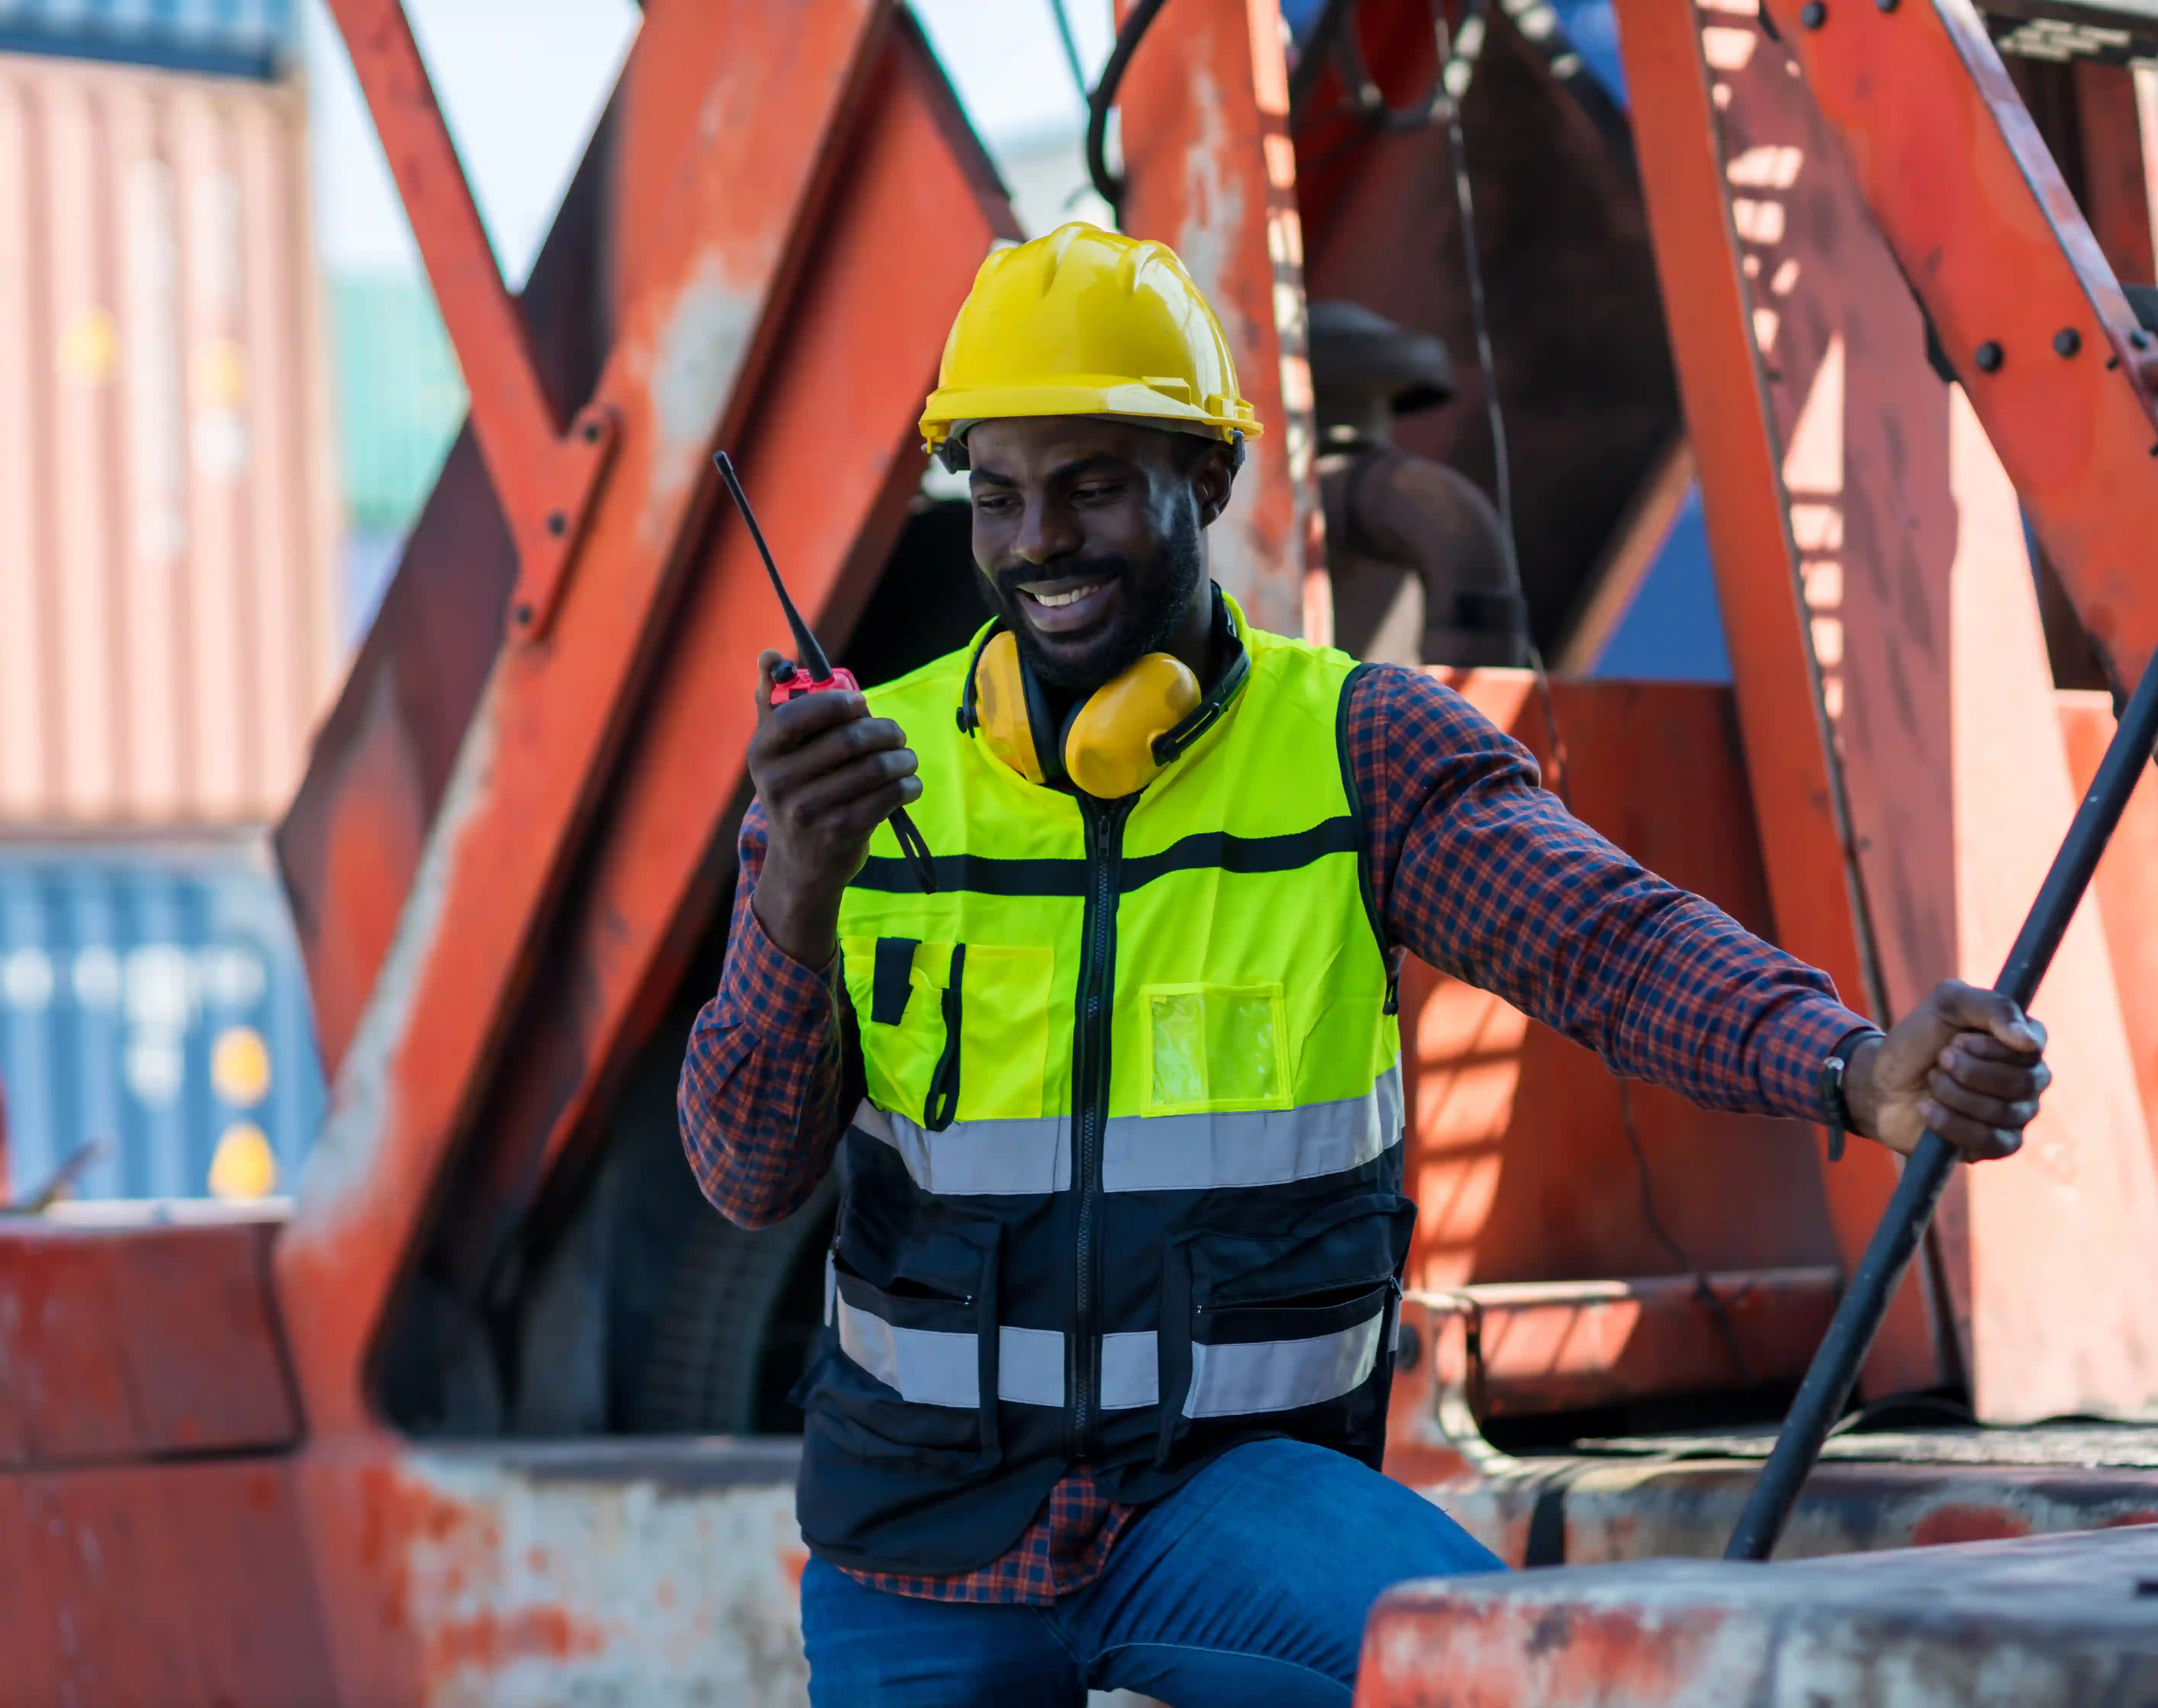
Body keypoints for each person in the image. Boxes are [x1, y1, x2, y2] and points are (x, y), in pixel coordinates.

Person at [678, 222, 2051, 1707]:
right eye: (997, 496)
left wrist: (1848, 1066)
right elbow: (746, 1172)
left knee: (1500, 1684)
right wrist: (795, 902)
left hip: (1217, 1502)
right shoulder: (858, 785)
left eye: (1088, 486)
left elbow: (1607, 942)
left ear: (1205, 479)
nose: (1037, 543)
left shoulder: (1359, 752)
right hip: (922, 1538)